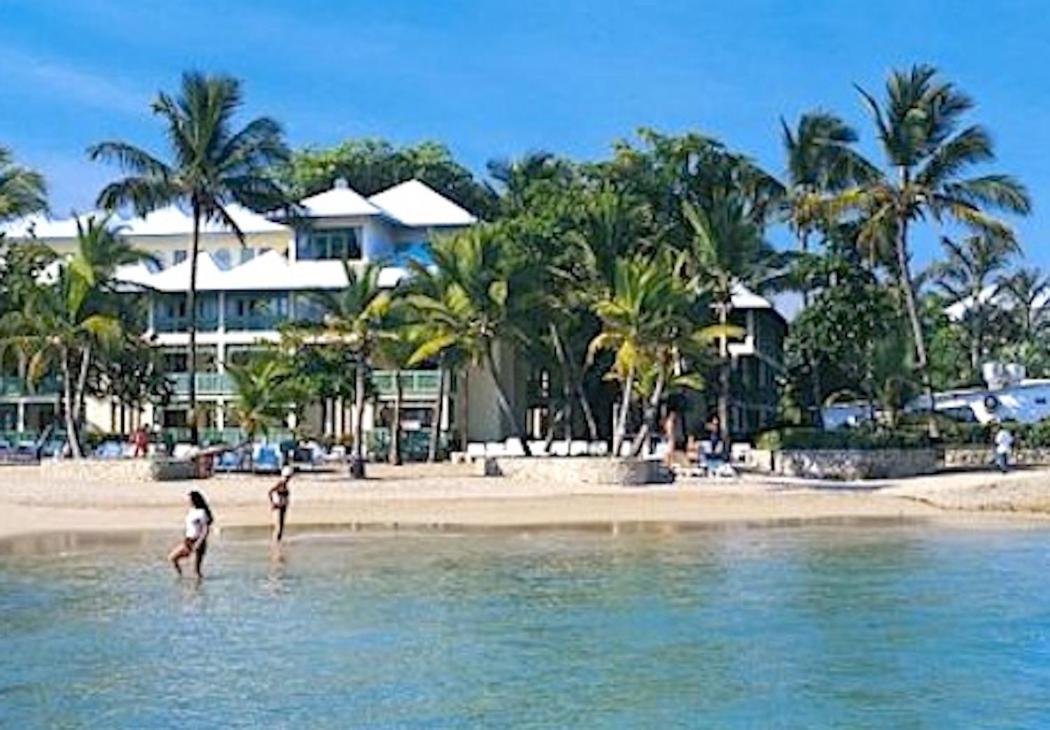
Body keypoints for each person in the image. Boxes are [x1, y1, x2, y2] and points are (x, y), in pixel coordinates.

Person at [169, 490, 214, 579]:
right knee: (172, 558)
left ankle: (197, 589)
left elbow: (205, 530)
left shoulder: (202, 512)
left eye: (190, 500)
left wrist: (198, 543)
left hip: (197, 541)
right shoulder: (192, 510)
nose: (189, 501)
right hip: (188, 540)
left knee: (196, 571)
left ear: (195, 500)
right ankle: (180, 577)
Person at [269, 465, 293, 542]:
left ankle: (278, 543)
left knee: (281, 525)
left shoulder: (285, 483)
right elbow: (270, 491)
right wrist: (273, 502)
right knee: (278, 525)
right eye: (289, 477)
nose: (289, 479)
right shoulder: (281, 482)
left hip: (283, 505)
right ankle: (275, 542)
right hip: (279, 505)